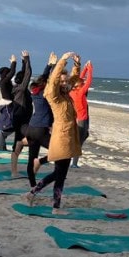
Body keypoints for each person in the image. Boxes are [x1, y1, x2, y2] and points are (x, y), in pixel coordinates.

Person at [26, 51, 81, 212]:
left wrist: (77, 65)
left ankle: (44, 199)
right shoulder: (53, 96)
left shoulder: (65, 94)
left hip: (69, 137)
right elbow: (55, 80)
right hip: (61, 137)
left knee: (60, 173)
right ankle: (44, 199)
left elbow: (74, 80)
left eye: (65, 81)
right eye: (61, 81)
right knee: (60, 173)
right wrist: (62, 61)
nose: (64, 83)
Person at [25, 52, 57, 187]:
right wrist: (54, 66)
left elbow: (45, 78)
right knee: (58, 152)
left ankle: (32, 186)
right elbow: (52, 80)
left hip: (31, 128)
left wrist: (49, 65)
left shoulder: (34, 90)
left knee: (31, 159)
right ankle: (42, 161)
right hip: (40, 129)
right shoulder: (46, 93)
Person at [10, 51, 33, 178]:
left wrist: (23, 63)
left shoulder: (18, 89)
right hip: (21, 120)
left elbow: (24, 74)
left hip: (22, 119)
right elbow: (28, 74)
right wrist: (27, 59)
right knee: (18, 144)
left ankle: (14, 171)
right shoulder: (21, 89)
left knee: (19, 144)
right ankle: (14, 172)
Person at [69, 58, 93, 168]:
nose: (82, 82)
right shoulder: (79, 93)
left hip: (83, 118)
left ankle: (72, 159)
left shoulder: (72, 91)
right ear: (77, 85)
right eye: (80, 83)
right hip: (81, 120)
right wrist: (90, 69)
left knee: (85, 135)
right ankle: (73, 163)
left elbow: (81, 79)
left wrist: (84, 69)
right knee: (79, 142)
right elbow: (88, 81)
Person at [0, 54, 17, 150]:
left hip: (7, 103)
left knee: (8, 124)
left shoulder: (4, 81)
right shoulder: (4, 81)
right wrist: (14, 62)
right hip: (7, 104)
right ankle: (1, 147)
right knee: (8, 125)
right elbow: (12, 72)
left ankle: (2, 146)